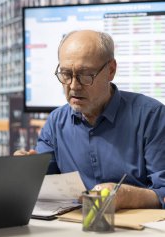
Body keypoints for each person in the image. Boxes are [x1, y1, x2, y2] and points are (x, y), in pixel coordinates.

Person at [16, 30, 165, 210]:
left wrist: (127, 196)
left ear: (111, 70)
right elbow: (46, 182)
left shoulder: (151, 116)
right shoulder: (56, 122)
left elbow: (163, 192)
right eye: (65, 74)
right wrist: (27, 169)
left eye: (85, 74)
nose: (73, 85)